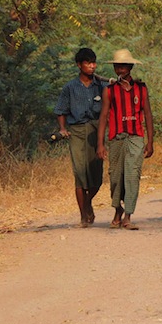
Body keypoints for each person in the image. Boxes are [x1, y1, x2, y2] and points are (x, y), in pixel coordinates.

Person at [96, 49, 154, 230]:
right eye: (117, 66)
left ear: (130, 67)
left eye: (123, 66)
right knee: (115, 176)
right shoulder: (110, 90)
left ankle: (128, 214)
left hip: (135, 137)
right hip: (116, 138)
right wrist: (100, 144)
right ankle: (117, 209)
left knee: (132, 174)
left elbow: (148, 114)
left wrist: (150, 141)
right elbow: (104, 116)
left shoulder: (141, 88)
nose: (120, 69)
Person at [53, 48, 105, 228]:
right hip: (76, 131)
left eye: (93, 62)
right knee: (80, 174)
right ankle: (83, 215)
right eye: (88, 63)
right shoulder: (70, 87)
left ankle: (88, 202)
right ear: (79, 65)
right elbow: (61, 110)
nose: (92, 66)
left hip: (96, 131)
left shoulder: (101, 85)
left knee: (97, 175)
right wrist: (62, 128)